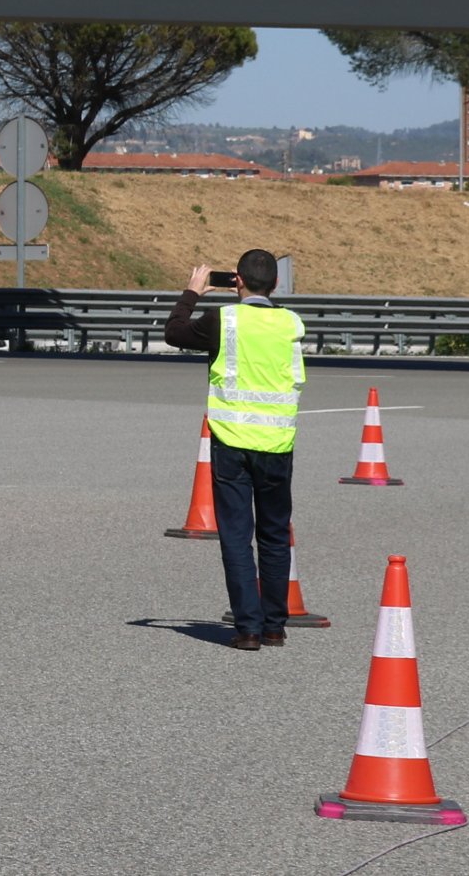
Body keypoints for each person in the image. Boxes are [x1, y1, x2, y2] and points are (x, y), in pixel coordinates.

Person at [163, 248, 305, 651]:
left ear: (236, 281)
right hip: (277, 444)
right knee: (275, 536)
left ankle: (248, 629)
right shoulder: (291, 324)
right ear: (276, 284)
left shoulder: (222, 320)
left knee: (237, 537)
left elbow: (174, 332)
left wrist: (192, 292)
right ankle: (275, 625)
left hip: (231, 443)